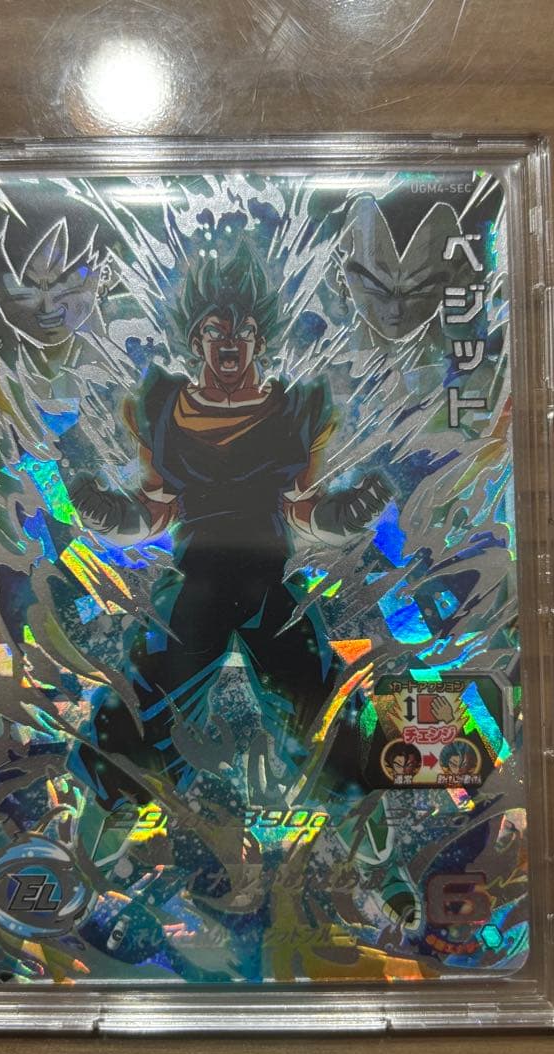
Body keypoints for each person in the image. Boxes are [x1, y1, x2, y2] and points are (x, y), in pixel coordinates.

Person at [69, 242, 393, 808]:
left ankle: (363, 796)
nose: (229, 341)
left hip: (269, 580)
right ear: (195, 340)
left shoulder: (295, 408)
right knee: (154, 691)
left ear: (259, 342)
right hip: (195, 580)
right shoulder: (161, 406)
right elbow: (155, 510)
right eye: (215, 329)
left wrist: (350, 513)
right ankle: (111, 804)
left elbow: (303, 509)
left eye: (242, 331)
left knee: (316, 694)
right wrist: (107, 514)